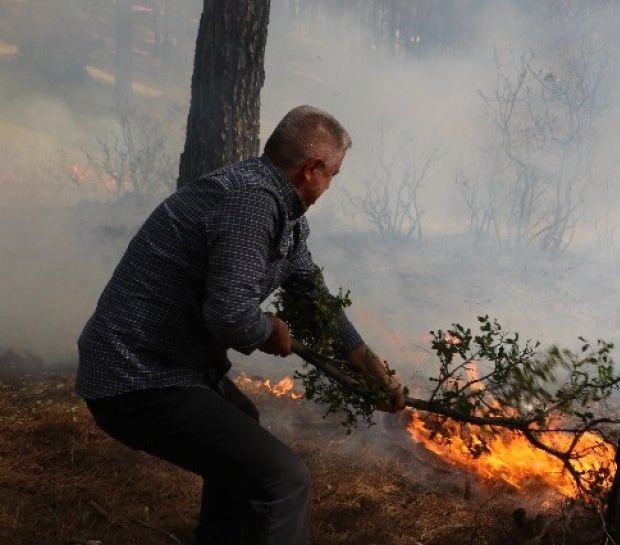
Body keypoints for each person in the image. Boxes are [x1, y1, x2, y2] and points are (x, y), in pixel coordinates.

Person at [75, 105, 407, 544]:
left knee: (242, 422)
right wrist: (269, 331)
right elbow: (229, 315)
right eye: (333, 175)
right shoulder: (251, 202)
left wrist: (365, 363)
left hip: (167, 367)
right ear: (312, 169)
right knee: (283, 481)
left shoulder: (281, 211)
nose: (330, 186)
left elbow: (312, 294)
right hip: (137, 376)